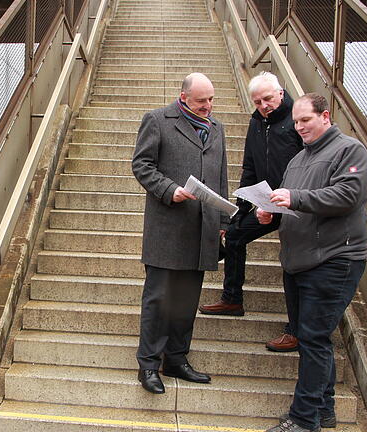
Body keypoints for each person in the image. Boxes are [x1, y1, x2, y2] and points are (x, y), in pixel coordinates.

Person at [257, 93, 367, 432]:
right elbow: (294, 203)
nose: (299, 126)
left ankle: (303, 420)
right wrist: (270, 213)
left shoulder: (350, 150)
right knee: (313, 338)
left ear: (325, 116)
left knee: (313, 337)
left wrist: (295, 197)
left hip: (334, 259)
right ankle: (323, 410)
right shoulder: (298, 159)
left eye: (305, 120)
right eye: (295, 122)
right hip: (299, 262)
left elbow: (349, 195)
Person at [131, 72, 229, 394]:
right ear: (184, 97)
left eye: (211, 100)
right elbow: (142, 165)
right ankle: (148, 365)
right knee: (158, 300)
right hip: (167, 228)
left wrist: (224, 225)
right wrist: (169, 190)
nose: (208, 106)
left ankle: (176, 359)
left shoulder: (217, 128)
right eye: (202, 101)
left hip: (202, 231)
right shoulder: (157, 120)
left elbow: (221, 178)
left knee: (187, 301)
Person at [198, 72, 303, 353]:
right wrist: (243, 207)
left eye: (267, 99)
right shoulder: (256, 123)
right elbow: (250, 168)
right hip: (267, 203)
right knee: (233, 235)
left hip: (299, 204)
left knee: (293, 263)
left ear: (280, 93)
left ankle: (296, 330)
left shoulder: (298, 119)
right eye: (257, 102)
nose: (263, 105)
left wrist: (291, 199)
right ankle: (232, 299)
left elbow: (312, 165)